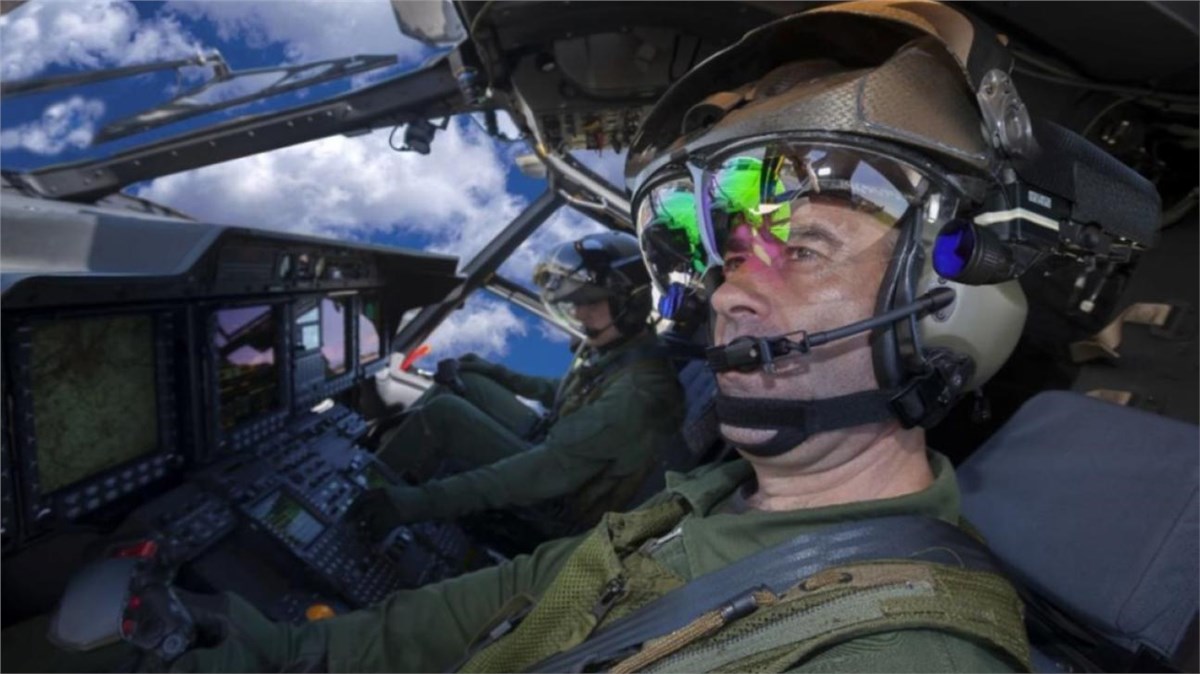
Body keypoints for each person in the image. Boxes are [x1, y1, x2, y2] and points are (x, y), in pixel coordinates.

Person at [151, 1, 1157, 670]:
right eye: (722, 257)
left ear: (949, 296)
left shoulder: (898, 652)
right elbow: (504, 600)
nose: (731, 294)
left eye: (805, 246)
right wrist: (273, 653)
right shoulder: (707, 505)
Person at [352, 230, 685, 542]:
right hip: (560, 443)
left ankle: (357, 492)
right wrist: (494, 371)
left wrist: (415, 503)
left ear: (630, 304)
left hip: (560, 502)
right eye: (576, 302)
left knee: (444, 412)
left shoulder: (637, 393)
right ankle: (379, 469)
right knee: (470, 381)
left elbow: (540, 473)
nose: (579, 313)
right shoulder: (622, 347)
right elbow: (564, 392)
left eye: (591, 302)